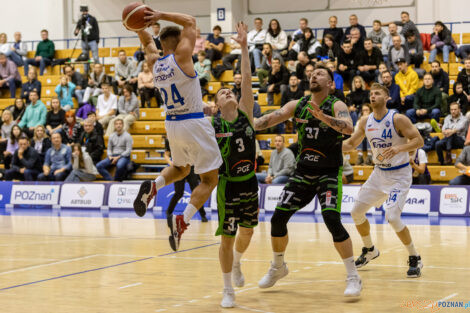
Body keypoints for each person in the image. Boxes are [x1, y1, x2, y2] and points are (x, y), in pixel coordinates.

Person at [254, 64, 362, 296]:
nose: (314, 75)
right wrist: (247, 123)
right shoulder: (298, 105)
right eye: (312, 73)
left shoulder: (337, 104)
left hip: (329, 172)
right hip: (303, 171)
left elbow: (349, 128)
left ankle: (353, 276)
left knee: (331, 219)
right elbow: (268, 119)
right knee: (278, 219)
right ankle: (278, 266)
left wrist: (323, 117)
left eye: (320, 74)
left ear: (331, 84)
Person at [132, 8, 223, 252]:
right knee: (210, 178)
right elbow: (191, 21)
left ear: (162, 43)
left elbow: (147, 41)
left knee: (181, 168)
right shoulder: (183, 57)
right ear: (180, 41)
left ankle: (154, 186)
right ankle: (183, 219)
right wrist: (158, 14)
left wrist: (138, 24)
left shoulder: (155, 62)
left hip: (172, 123)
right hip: (193, 123)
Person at [343, 83, 424, 278]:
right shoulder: (364, 121)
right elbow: (351, 144)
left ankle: (415, 257)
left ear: (387, 98)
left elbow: (419, 141)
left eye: (377, 93)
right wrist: (329, 146)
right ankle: (370, 249)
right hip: (378, 174)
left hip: (399, 175)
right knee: (356, 212)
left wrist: (399, 148)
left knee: (393, 217)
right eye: (371, 93)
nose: (372, 96)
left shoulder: (398, 119)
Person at [210, 23, 259, 307]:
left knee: (249, 231)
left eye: (231, 91)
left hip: (250, 182)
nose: (229, 92)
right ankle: (227, 289)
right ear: (216, 104)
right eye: (222, 93)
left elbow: (246, 80)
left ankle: (238, 264)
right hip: (227, 186)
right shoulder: (211, 124)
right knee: (227, 237)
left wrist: (243, 47)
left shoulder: (246, 115)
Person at [163, 138, 207, 222]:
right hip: (178, 168)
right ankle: (169, 212)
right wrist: (171, 163)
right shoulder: (169, 139)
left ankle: (203, 215)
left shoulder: (187, 135)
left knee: (196, 192)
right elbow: (166, 154)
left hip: (191, 167)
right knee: (179, 193)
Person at [74, 5, 100, 71]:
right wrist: (76, 32)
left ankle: (98, 70)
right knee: (85, 58)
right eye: (82, 11)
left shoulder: (92, 19)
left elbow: (97, 29)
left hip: (92, 41)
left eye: (85, 11)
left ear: (87, 11)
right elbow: (77, 30)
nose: (84, 12)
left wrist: (97, 40)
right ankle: (86, 72)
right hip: (84, 41)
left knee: (95, 57)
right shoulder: (80, 20)